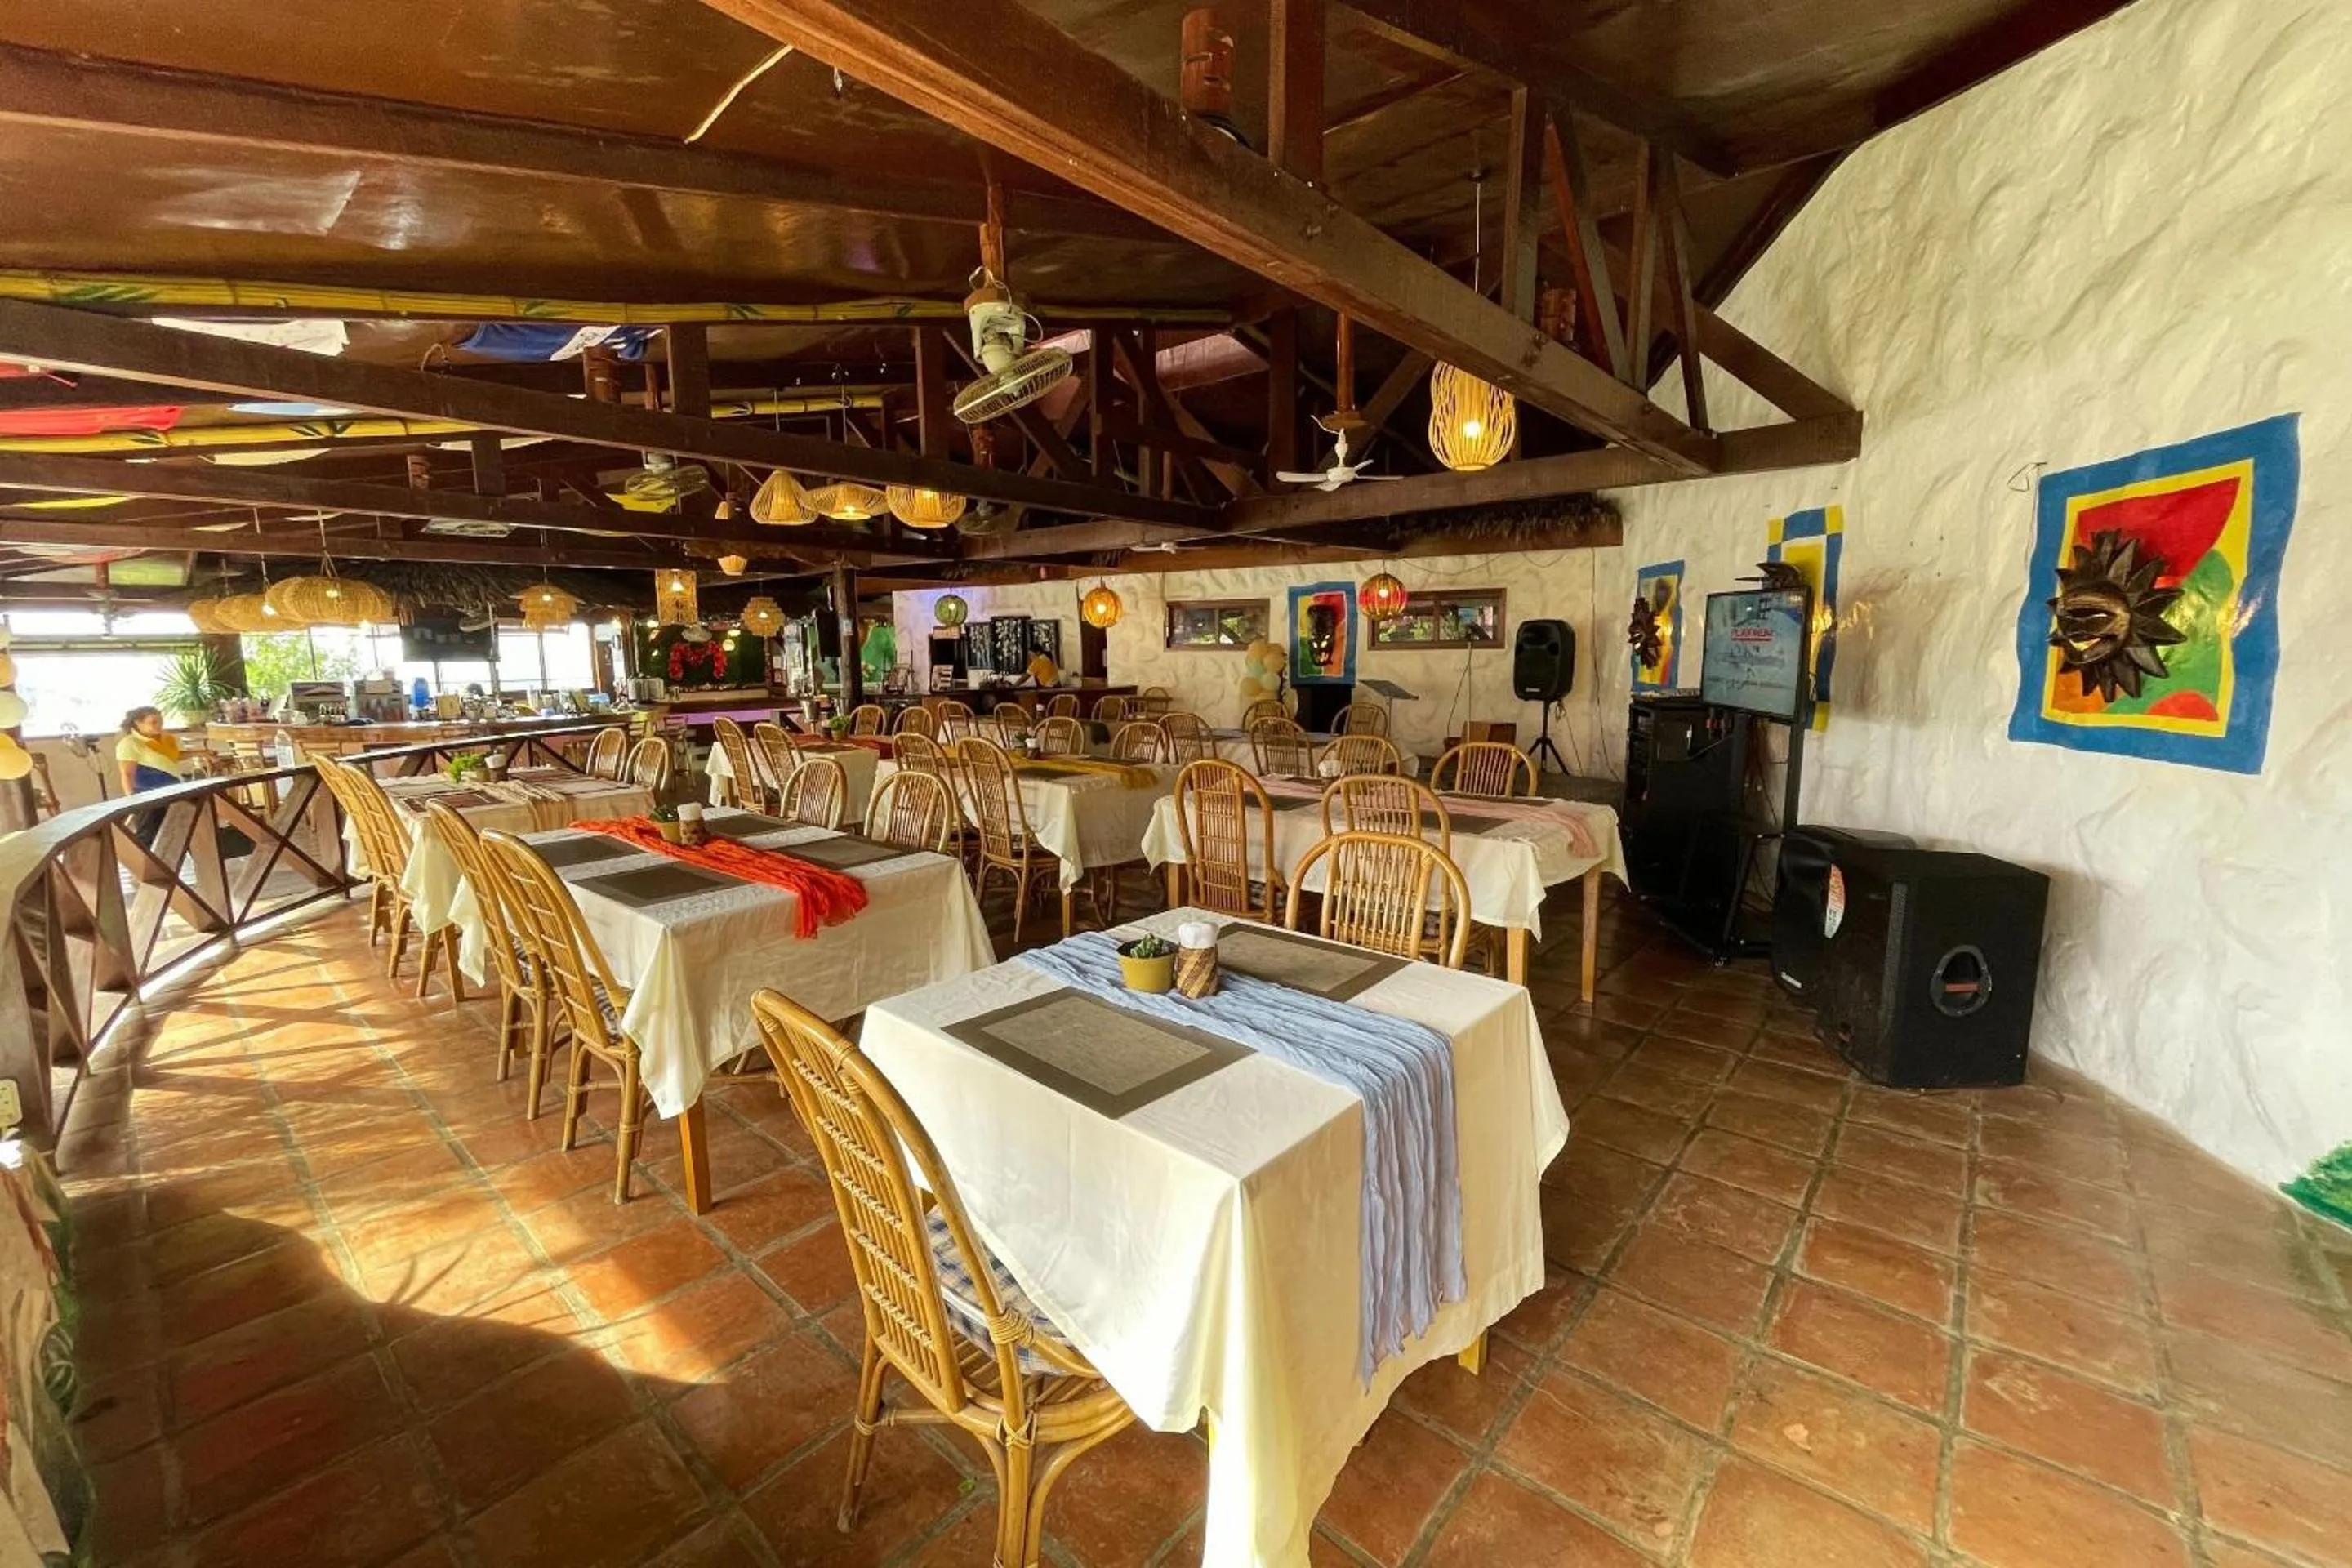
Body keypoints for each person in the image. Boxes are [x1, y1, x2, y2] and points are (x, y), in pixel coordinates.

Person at [116, 706, 187, 846]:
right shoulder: (130, 743)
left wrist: (203, 753)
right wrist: (132, 799)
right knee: (149, 833)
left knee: (175, 830)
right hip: (147, 794)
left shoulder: (165, 738)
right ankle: (145, 859)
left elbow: (174, 756)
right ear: (138, 723)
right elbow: (127, 773)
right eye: (153, 722)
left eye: (160, 721)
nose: (159, 725)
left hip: (172, 790)